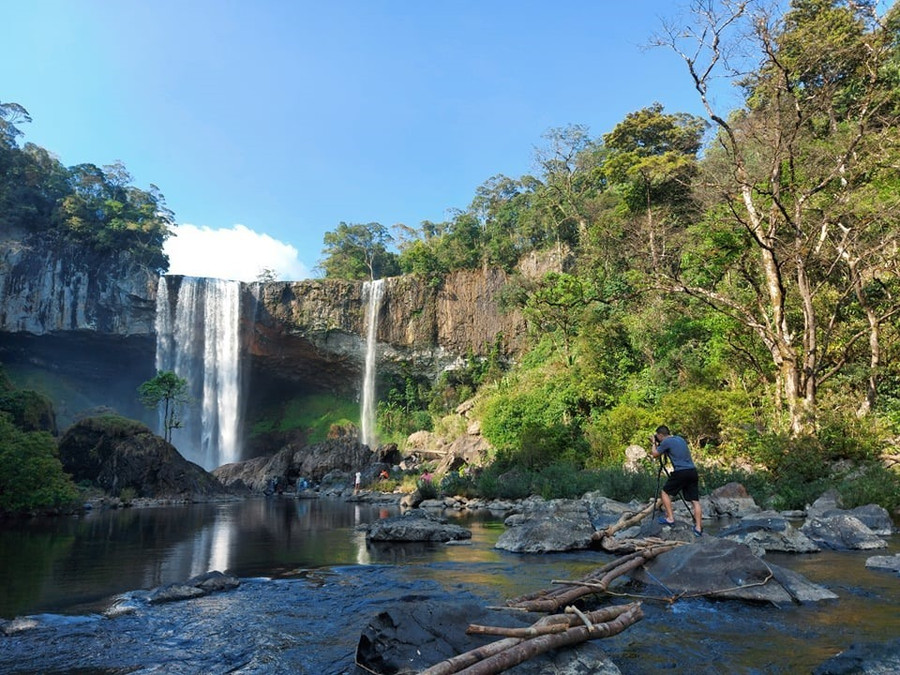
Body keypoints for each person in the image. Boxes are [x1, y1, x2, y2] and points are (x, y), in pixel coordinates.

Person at [651, 425, 703, 536]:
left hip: (681, 472)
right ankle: (698, 528)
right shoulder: (680, 439)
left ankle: (670, 518)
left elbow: (655, 454)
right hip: (692, 471)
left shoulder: (666, 442)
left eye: (657, 436)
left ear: (660, 435)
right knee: (695, 501)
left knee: (664, 493)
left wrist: (653, 444)